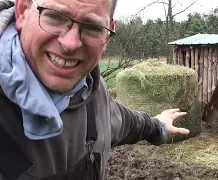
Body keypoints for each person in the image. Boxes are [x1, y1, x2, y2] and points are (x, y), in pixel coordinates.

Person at [0, 0, 190, 179]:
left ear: (108, 36)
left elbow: (127, 123)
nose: (70, 44)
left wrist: (160, 125)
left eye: (92, 27)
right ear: (23, 10)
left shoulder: (92, 94)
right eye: (55, 16)